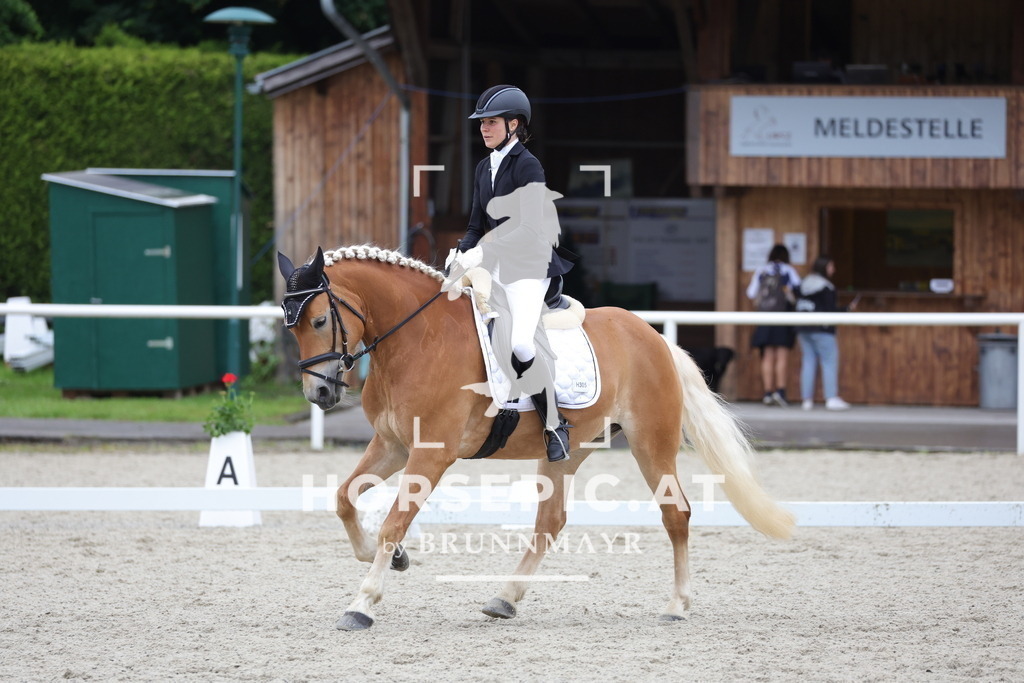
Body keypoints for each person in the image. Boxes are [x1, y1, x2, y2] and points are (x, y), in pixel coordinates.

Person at [445, 85, 575, 462]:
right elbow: (474, 224)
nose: (483, 129)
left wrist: (484, 250)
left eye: (491, 123)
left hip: (529, 268)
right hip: (495, 267)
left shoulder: (527, 165)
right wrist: (462, 251)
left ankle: (555, 424)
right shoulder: (483, 167)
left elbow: (531, 227)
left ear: (513, 125)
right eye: (482, 123)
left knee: (520, 344)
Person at [795, 255, 856, 411]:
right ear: (825, 267)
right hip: (822, 329)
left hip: (803, 327)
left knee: (808, 362)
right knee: (829, 361)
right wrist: (847, 309)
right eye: (831, 266)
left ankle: (806, 400)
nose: (833, 269)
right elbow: (830, 311)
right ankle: (831, 398)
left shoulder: (803, 283)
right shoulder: (826, 287)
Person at [746, 244, 801, 406]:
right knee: (781, 356)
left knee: (767, 355)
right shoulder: (788, 271)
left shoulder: (761, 271)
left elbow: (751, 293)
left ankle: (768, 392)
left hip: (764, 318)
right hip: (783, 318)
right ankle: (781, 392)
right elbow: (797, 291)